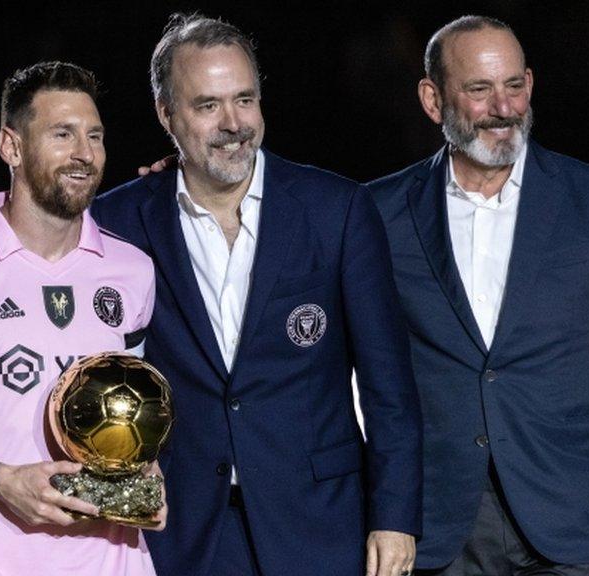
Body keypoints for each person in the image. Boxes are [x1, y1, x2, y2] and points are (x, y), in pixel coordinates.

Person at [91, 14, 421, 576]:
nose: (233, 123)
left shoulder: (335, 210)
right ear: (166, 114)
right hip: (183, 529)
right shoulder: (116, 221)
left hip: (320, 523)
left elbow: (389, 384)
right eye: (208, 105)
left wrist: (396, 517)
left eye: (245, 99)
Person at [367, 15, 589, 576]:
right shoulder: (378, 213)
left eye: (514, 86)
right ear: (432, 99)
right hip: (437, 529)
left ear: (530, 86)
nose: (504, 107)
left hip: (578, 524)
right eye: (480, 89)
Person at [0, 61, 160, 576]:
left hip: (118, 564)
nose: (84, 153)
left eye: (95, 136)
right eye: (62, 134)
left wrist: (146, 479)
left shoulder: (133, 270)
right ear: (11, 147)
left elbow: (133, 413)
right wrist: (2, 479)